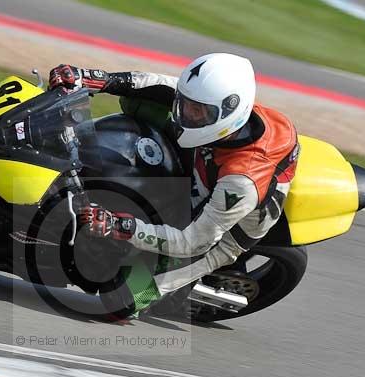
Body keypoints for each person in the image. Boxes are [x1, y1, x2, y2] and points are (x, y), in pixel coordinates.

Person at [48, 53, 299, 319]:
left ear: (229, 113)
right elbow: (160, 85)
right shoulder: (213, 111)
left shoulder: (242, 182)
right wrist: (92, 78)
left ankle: (166, 289)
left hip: (218, 235)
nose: (184, 115)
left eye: (196, 112)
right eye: (185, 105)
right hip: (207, 165)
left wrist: (122, 226)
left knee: (120, 303)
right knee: (142, 104)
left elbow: (193, 242)